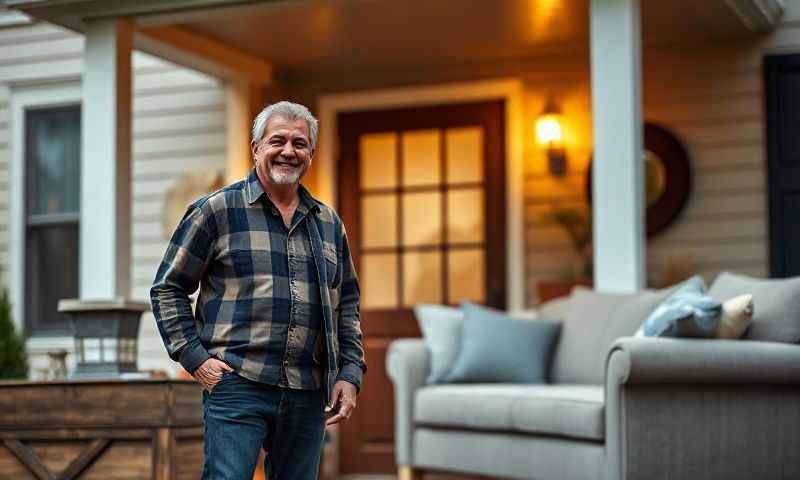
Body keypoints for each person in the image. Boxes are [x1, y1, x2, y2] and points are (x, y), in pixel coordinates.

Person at [150, 100, 366, 480]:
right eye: (277, 141)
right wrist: (196, 359)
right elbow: (168, 288)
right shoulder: (216, 211)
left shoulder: (328, 223)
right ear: (256, 149)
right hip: (237, 383)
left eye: (299, 144)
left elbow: (346, 303)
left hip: (307, 390)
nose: (288, 151)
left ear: (311, 154)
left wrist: (349, 372)